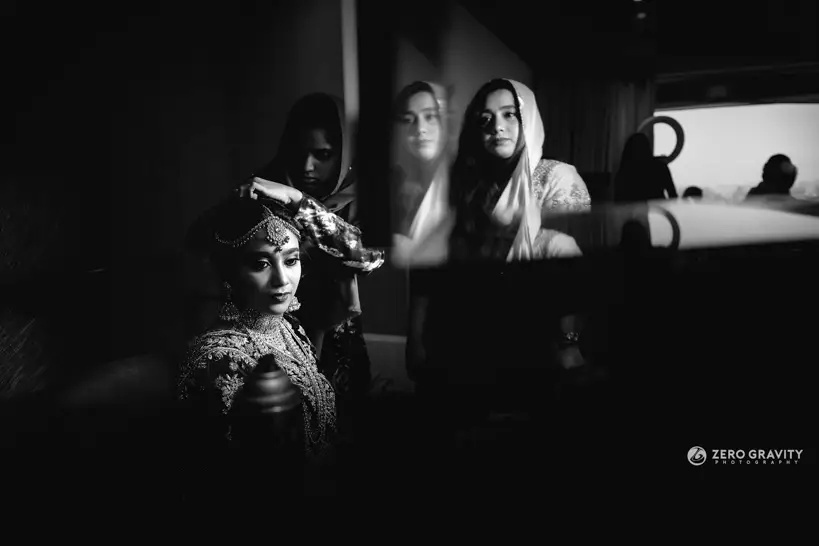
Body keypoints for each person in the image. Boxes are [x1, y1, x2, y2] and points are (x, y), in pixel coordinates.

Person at [410, 78, 591, 444]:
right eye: (486, 119)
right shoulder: (461, 184)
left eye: (510, 114)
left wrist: (570, 341)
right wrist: (415, 337)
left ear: (529, 119)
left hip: (529, 339)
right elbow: (429, 269)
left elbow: (572, 272)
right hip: (458, 339)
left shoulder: (555, 178)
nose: (497, 127)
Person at [178, 180, 384, 459]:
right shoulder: (216, 359)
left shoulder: (290, 327)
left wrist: (297, 199)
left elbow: (367, 255)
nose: (282, 280)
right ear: (229, 273)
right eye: (261, 264)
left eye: (291, 261)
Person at [251, 93, 375, 423]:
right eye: (299, 152)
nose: (307, 166)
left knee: (346, 421)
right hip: (279, 335)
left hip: (339, 336)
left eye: (323, 155)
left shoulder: (359, 197)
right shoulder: (264, 190)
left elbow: (366, 257)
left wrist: (298, 201)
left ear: (344, 154)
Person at [614, 132, 678, 202]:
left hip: (632, 208)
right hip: (657, 207)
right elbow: (673, 195)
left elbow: (618, 199)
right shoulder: (660, 167)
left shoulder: (625, 171)